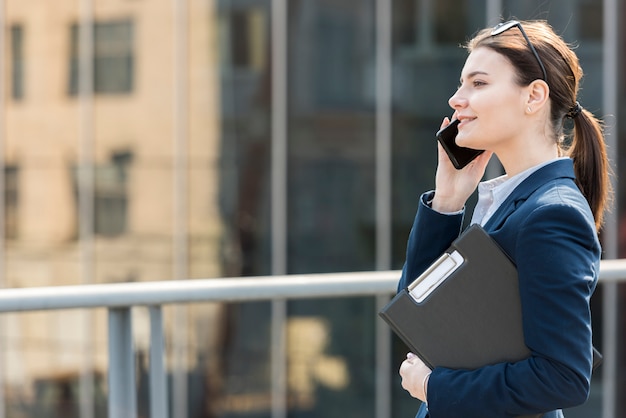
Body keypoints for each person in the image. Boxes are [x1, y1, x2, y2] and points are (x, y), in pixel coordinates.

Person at [397, 19, 611, 418]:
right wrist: (447, 200)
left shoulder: (553, 214)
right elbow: (417, 309)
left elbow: (562, 376)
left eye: (478, 84)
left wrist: (433, 386)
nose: (457, 100)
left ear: (534, 96)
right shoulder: (505, 200)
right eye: (462, 84)